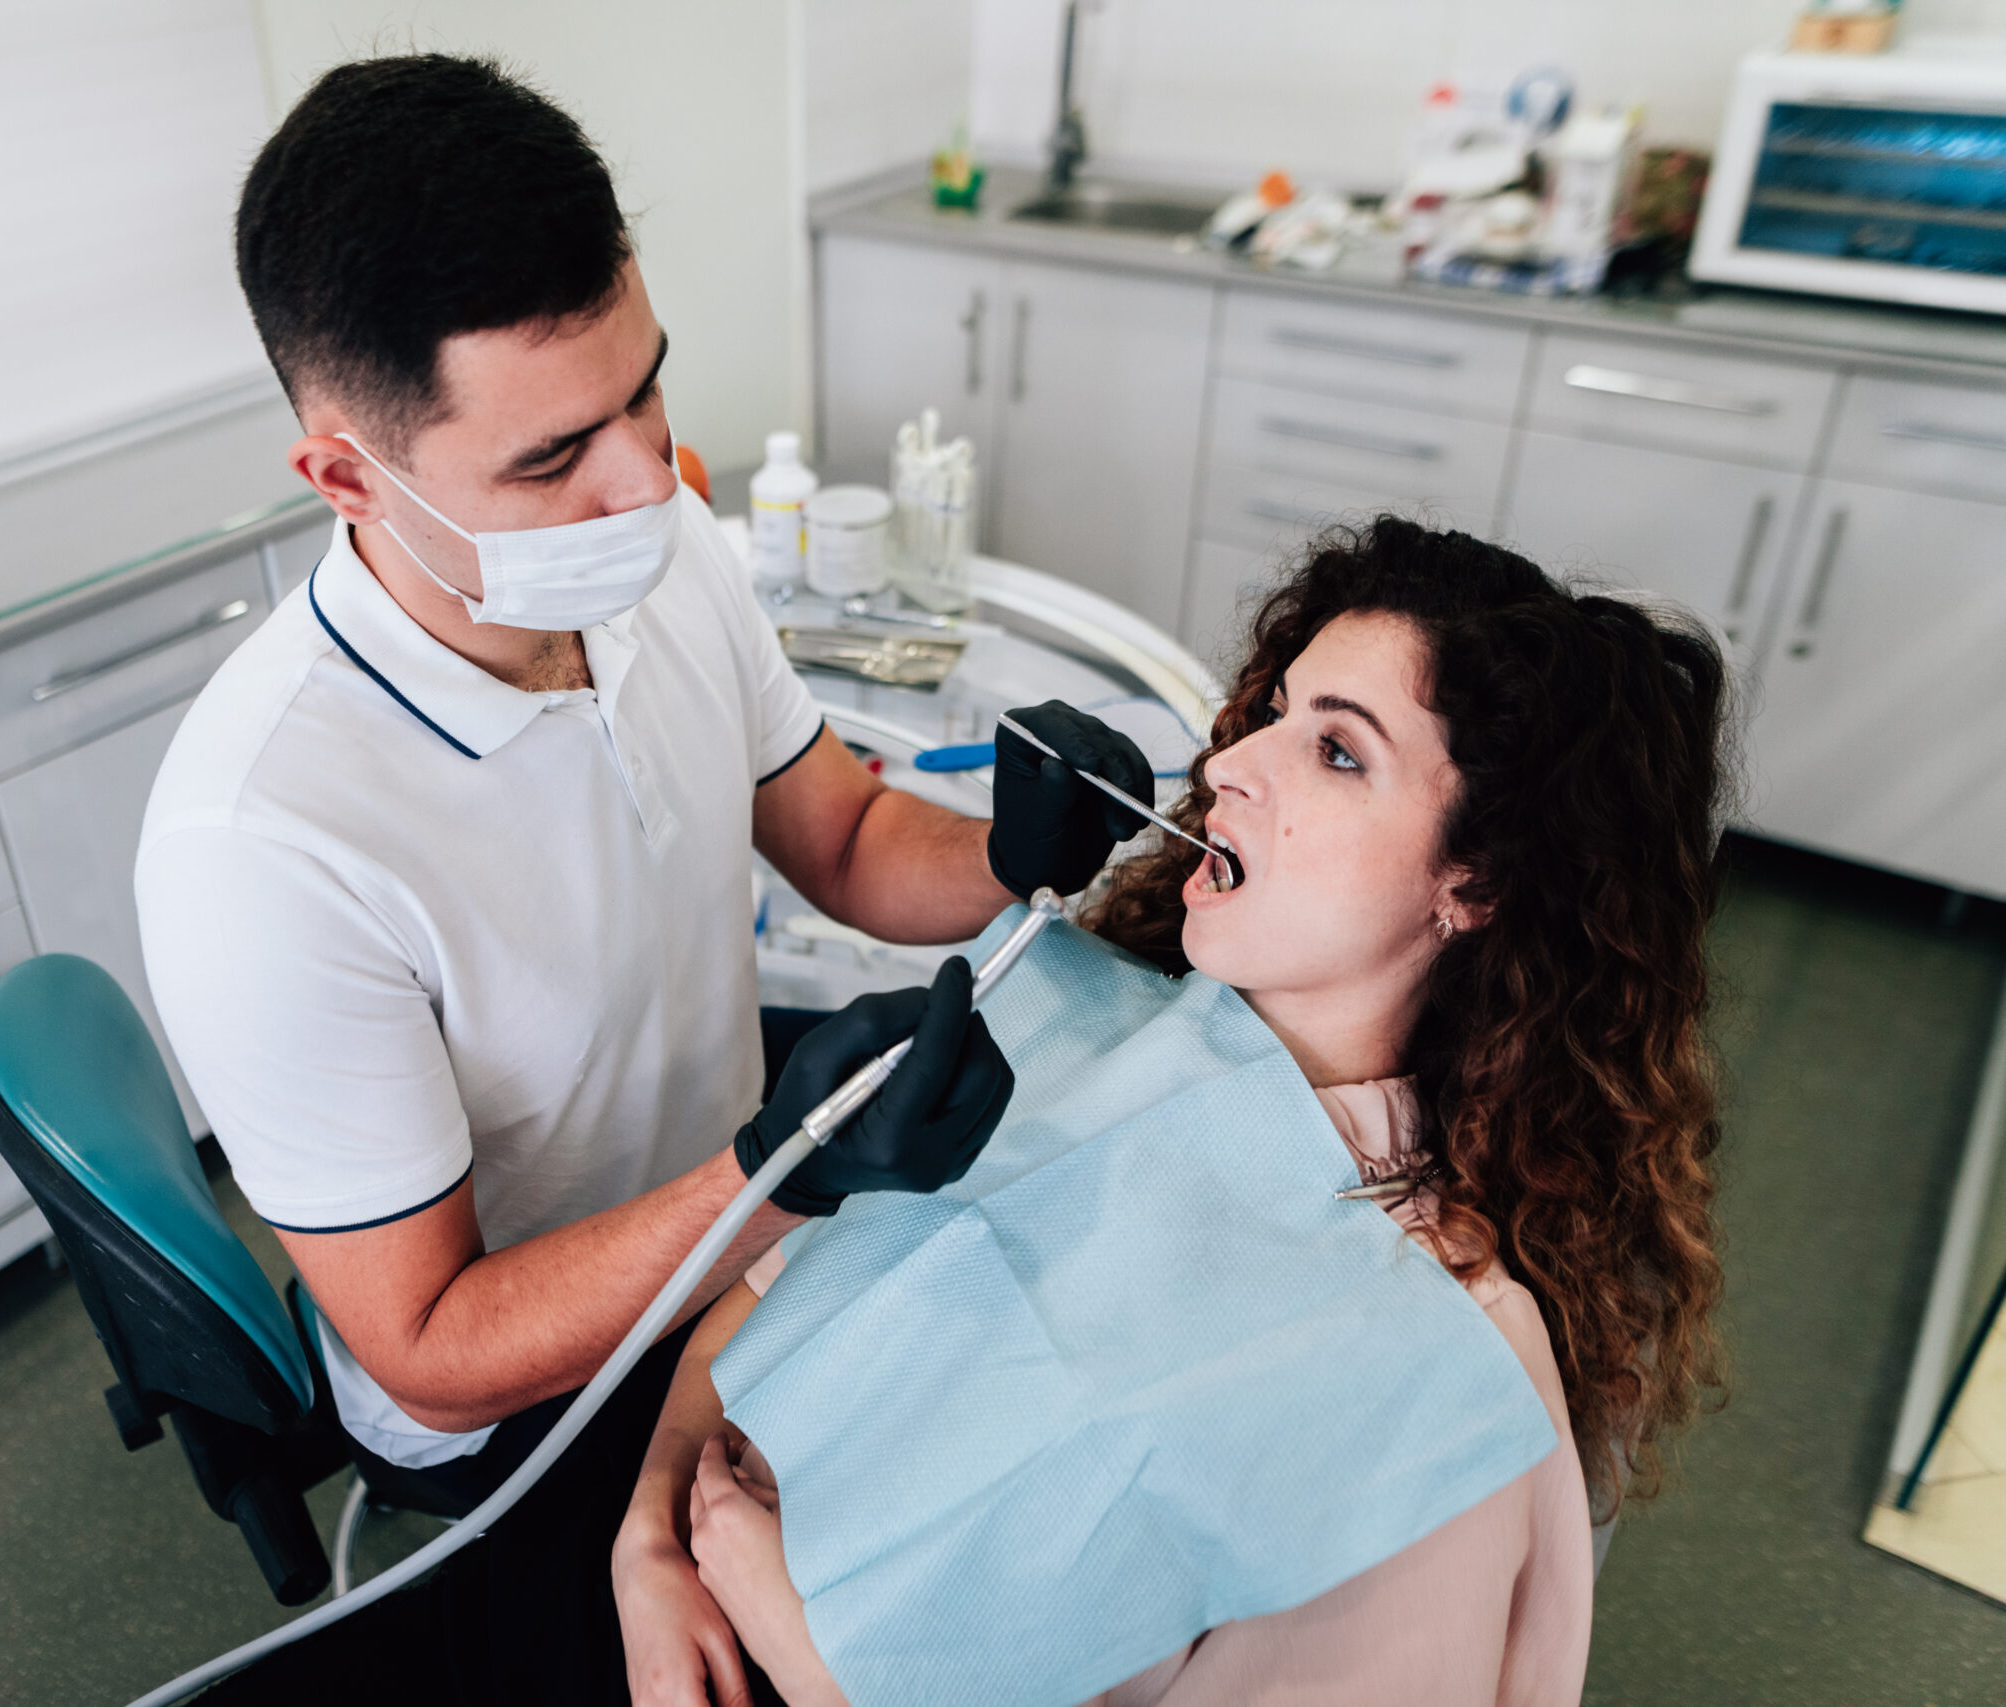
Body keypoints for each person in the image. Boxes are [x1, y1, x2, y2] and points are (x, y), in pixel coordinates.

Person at [134, 54, 1161, 1700]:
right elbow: (432, 1349)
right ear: (343, 476)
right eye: (552, 460)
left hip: (744, 1252)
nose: (643, 482)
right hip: (534, 1401)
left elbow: (833, 835)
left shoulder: (663, 563)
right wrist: (777, 1165)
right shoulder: (264, 848)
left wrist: (1008, 853)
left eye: (648, 392)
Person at [615, 518, 1731, 1707]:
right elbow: (764, 1297)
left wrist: (803, 1646)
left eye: (1339, 753)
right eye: (1275, 714)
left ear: (1475, 885)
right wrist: (646, 1544)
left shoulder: (1432, 1386)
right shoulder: (1070, 1031)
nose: (1230, 765)